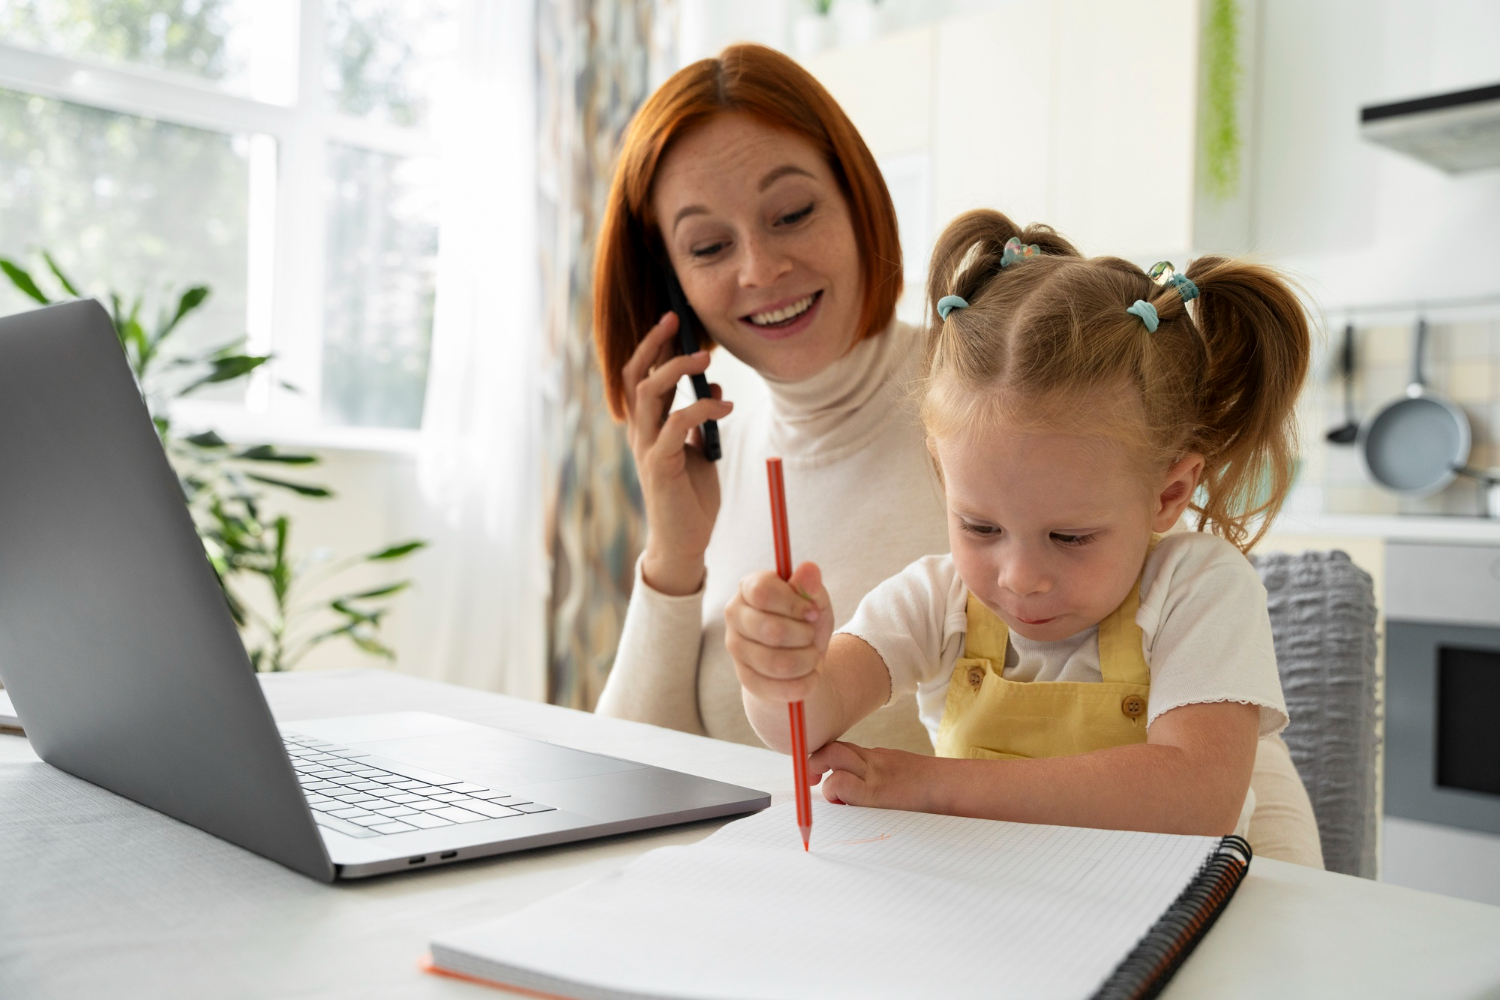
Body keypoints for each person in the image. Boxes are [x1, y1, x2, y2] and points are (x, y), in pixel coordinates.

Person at [725, 209, 1325, 864]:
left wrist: (933, 787)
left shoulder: (1200, 589)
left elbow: (1194, 796)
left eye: (1069, 537)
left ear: (1169, 494)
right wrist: (779, 675)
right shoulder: (935, 601)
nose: (1018, 577)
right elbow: (810, 721)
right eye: (980, 526)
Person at [590, 44, 947, 753]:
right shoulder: (717, 454)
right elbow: (632, 773)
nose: (761, 269)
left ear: (857, 199)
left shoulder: (992, 398)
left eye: (791, 213)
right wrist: (672, 558)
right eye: (708, 247)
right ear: (673, 288)